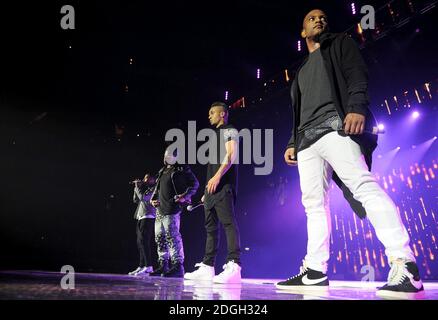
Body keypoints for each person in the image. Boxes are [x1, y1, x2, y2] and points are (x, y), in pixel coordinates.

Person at [276, 9, 424, 299]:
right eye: (312, 18)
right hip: (307, 141)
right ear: (302, 32)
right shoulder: (301, 71)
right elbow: (298, 113)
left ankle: (404, 264)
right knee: (313, 206)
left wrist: (356, 107)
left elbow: (357, 74)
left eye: (323, 17)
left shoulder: (341, 43)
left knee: (364, 187)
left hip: (336, 128)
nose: (320, 20)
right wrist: (292, 141)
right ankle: (315, 271)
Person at [184, 101, 242, 284]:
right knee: (210, 229)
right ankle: (208, 267)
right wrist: (206, 191)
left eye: (212, 112)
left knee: (228, 223)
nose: (209, 115)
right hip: (212, 190)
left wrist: (217, 177)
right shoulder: (214, 135)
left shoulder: (230, 129)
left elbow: (231, 155)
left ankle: (234, 265)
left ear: (222, 114)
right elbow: (213, 165)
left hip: (223, 186)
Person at [149, 148, 199, 278]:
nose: (167, 158)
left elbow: (195, 184)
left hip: (172, 208)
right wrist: (153, 199)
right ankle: (163, 264)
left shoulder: (181, 169)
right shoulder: (162, 170)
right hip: (160, 209)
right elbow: (157, 188)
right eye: (166, 155)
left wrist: (184, 196)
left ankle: (178, 266)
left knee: (173, 237)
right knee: (159, 238)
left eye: (170, 155)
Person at [128, 174, 156, 276]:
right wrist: (136, 188)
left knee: (144, 242)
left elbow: (144, 198)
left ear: (153, 179)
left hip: (148, 217)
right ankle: (142, 266)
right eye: (144, 178)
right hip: (140, 217)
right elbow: (136, 200)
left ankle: (149, 266)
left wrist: (137, 188)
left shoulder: (154, 189)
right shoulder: (144, 189)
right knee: (140, 243)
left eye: (147, 178)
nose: (145, 180)